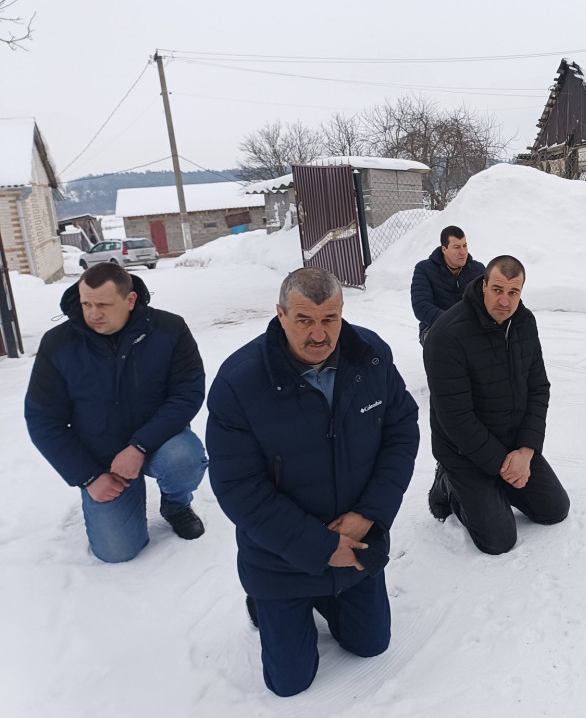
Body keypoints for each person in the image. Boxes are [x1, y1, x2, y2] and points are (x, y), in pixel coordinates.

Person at [207, 267, 419, 697]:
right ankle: (265, 601)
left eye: (330, 319)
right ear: (280, 315)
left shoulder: (370, 357)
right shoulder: (239, 383)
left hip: (358, 539)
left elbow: (402, 432)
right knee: (289, 683)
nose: (319, 334)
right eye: (304, 319)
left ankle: (329, 594)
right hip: (280, 560)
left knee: (372, 646)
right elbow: (238, 488)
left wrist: (369, 515)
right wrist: (320, 548)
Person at [24, 262, 207, 563]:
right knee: (117, 551)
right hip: (100, 459)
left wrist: (139, 446)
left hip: (158, 440)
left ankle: (175, 505)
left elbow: (187, 393)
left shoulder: (169, 329)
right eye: (86, 304)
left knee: (183, 460)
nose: (93, 314)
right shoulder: (58, 344)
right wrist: (88, 477)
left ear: (130, 300)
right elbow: (44, 419)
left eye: (104, 305)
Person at [423, 255, 569, 555]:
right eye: (498, 290)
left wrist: (526, 452)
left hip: (513, 443)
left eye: (513, 292)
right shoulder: (447, 335)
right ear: (483, 285)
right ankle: (448, 485)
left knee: (554, 509)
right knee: (499, 540)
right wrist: (504, 466)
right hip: (463, 451)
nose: (505, 301)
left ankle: (493, 488)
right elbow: (455, 417)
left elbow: (539, 388)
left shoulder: (524, 323)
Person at [411, 225, 486, 344]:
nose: (463, 252)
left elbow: (488, 301)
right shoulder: (424, 269)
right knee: (445, 345)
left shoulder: (478, 270)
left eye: (465, 245)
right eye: (456, 247)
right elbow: (421, 306)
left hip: (472, 327)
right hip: (435, 327)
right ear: (444, 249)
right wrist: (454, 323)